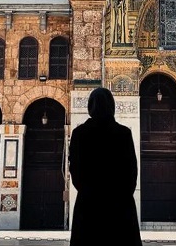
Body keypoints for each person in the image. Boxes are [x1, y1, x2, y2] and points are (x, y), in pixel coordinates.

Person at [68, 87, 142, 245]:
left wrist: (89, 192)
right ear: (112, 106)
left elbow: (75, 171)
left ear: (90, 106)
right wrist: (121, 196)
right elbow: (132, 172)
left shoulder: (80, 134)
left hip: (89, 206)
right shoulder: (123, 134)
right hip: (119, 207)